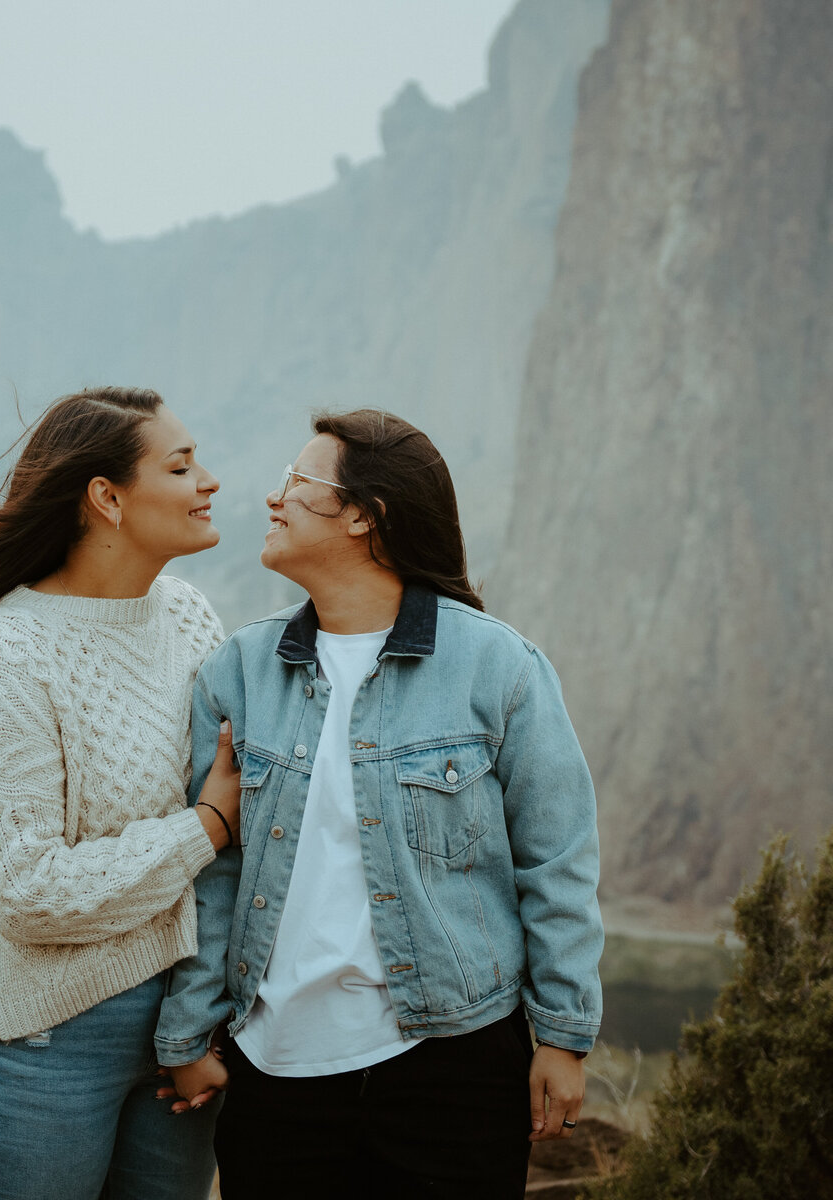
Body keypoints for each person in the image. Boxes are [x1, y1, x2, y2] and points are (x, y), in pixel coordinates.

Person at [154, 409, 603, 1199]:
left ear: (365, 514)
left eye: (299, 482)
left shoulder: (498, 667)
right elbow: (217, 872)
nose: (273, 497)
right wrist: (189, 1027)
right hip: (276, 1076)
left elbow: (557, 859)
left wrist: (563, 1036)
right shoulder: (240, 674)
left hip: (453, 1071)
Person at [0, 386, 242, 1200]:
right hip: (39, 1046)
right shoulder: (8, 653)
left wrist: (202, 1011)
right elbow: (25, 891)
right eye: (180, 465)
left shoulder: (188, 616)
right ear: (106, 498)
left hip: (182, 1028)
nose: (208, 480)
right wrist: (203, 827)